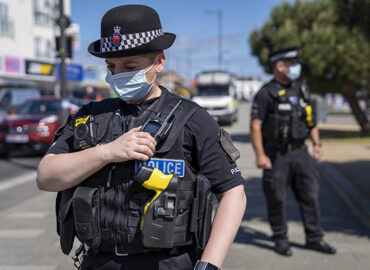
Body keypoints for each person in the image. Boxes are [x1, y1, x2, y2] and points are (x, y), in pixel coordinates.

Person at [37, 5, 246, 270]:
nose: (118, 74)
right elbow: (46, 176)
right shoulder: (89, 116)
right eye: (111, 66)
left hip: (169, 263)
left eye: (130, 66)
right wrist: (107, 152)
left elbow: (233, 193)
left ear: (159, 62)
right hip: (100, 261)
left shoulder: (192, 119)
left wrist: (209, 265)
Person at [250, 46, 336, 256]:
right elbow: (255, 126)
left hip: (300, 152)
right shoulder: (266, 93)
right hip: (276, 154)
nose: (296, 68)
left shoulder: (302, 90)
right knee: (276, 197)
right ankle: (280, 239)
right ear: (279, 66)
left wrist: (316, 144)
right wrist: (260, 155)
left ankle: (314, 238)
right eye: (292, 64)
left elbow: (311, 120)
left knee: (310, 195)